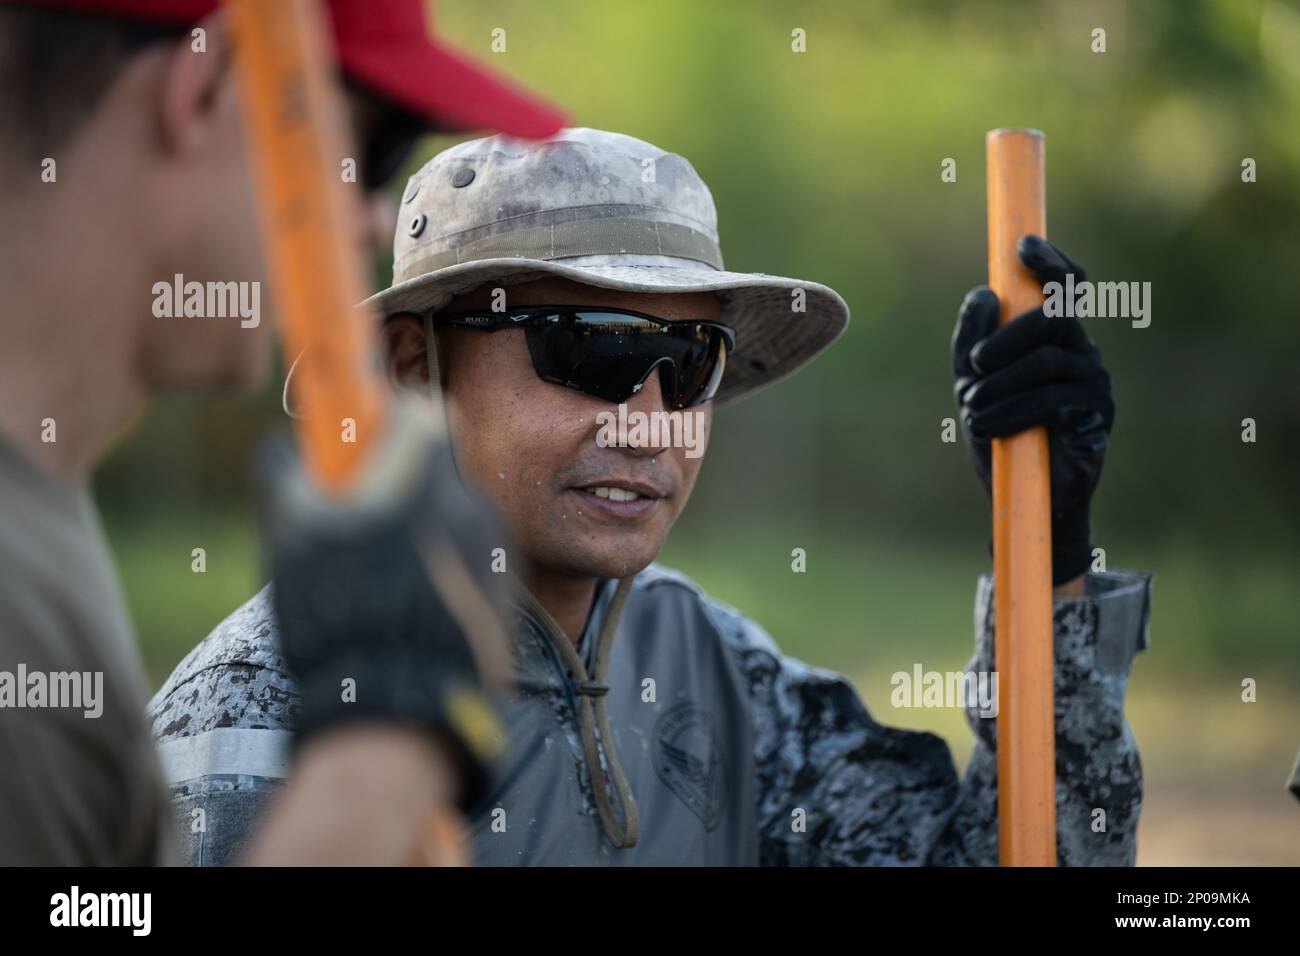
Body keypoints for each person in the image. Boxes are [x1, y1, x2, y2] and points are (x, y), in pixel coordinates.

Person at [154, 127, 1154, 866]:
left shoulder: (725, 676)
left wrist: (1054, 562)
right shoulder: (264, 715)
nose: (649, 419)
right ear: (418, 367)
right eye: (592, 348)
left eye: (688, 363)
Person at [0, 0, 564, 865]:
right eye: (371, 154)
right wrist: (378, 761)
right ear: (209, 85)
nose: (377, 220)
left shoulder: (42, 522)